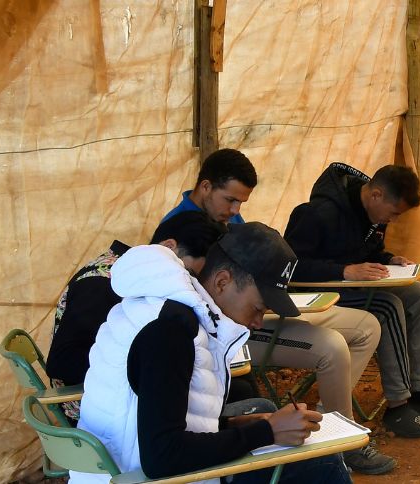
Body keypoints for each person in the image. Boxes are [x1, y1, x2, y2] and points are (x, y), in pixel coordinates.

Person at [162, 148, 395, 474]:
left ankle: (334, 419)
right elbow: (163, 452)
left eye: (241, 203)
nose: (235, 210)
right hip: (235, 322)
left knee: (366, 325)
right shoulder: (180, 238)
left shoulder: (225, 220)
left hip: (260, 306)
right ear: (205, 187)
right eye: (230, 200)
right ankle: (339, 439)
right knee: (331, 347)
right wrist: (263, 430)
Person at [71, 222, 350, 484]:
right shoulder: (171, 332)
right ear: (222, 282)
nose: (257, 323)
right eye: (258, 307)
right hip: (137, 476)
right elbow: (162, 458)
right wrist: (266, 432)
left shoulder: (164, 306)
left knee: (261, 409)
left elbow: (153, 416)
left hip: (119, 465)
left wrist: (233, 424)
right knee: (323, 464)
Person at [284, 162, 420, 439]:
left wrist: (388, 259)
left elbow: (368, 250)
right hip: (320, 294)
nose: (392, 220)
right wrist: (342, 271)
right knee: (387, 306)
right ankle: (398, 404)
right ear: (376, 194)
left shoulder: (371, 214)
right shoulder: (317, 213)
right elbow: (291, 268)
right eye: (393, 214)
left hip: (353, 286)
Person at [45, 211, 227, 421]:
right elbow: (61, 362)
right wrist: (145, 366)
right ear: (169, 247)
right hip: (92, 411)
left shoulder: (131, 275)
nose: (191, 284)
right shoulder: (103, 284)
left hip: (114, 399)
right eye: (191, 274)